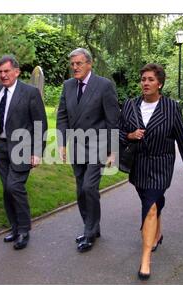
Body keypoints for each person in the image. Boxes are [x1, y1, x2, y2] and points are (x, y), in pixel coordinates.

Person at [118, 63, 183, 280]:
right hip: (138, 166)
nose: (145, 83)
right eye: (143, 79)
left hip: (161, 165)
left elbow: (182, 139)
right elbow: (118, 132)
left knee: (150, 208)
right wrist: (130, 136)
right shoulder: (129, 105)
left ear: (160, 83)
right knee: (153, 203)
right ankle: (157, 234)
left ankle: (145, 260)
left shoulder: (172, 107)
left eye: (150, 79)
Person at [57, 48, 120, 253]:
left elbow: (112, 119)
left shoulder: (103, 85)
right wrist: (61, 143)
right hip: (76, 146)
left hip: (98, 146)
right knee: (80, 191)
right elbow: (63, 116)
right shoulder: (67, 86)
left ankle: (89, 232)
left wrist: (113, 150)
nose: (75, 67)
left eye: (79, 63)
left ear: (89, 64)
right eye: (72, 64)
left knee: (89, 188)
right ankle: (91, 226)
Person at [0, 55, 48, 250]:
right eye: (0, 72)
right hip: (0, 148)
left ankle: (24, 230)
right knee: (7, 189)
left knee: (14, 187)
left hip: (22, 148)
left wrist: (37, 152)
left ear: (17, 72)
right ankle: (14, 228)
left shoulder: (30, 93)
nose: (3, 75)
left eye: (6, 71)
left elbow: (40, 124)